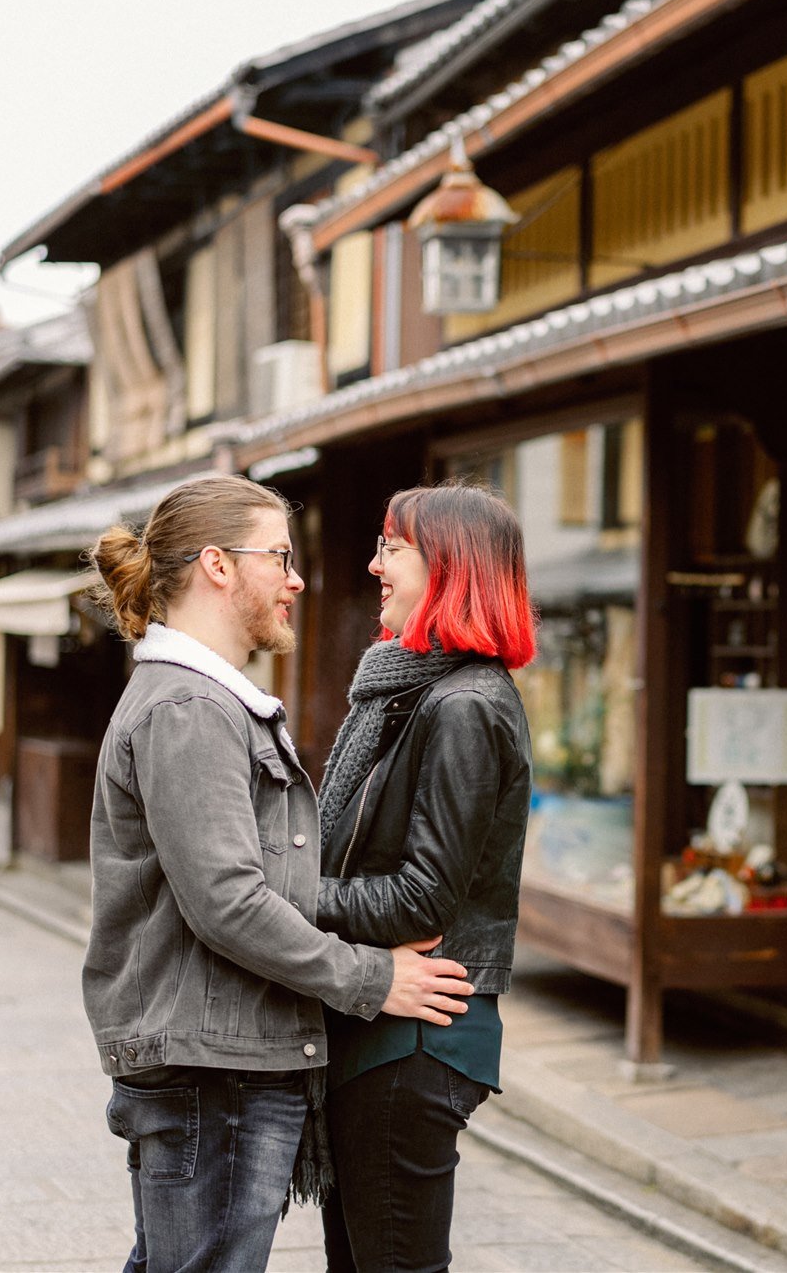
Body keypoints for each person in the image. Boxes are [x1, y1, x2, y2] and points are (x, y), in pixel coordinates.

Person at [82, 474, 474, 1273]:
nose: (297, 580)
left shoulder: (203, 699)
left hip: (212, 1053)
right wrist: (371, 979)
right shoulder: (189, 708)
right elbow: (227, 901)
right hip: (212, 1063)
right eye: (281, 557)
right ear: (219, 566)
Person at [310, 480, 535, 1273]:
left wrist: (292, 897)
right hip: (383, 1027)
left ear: (448, 566)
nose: (375, 565)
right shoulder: (412, 694)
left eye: (391, 547)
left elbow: (422, 898)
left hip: (412, 1039)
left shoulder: (463, 705)